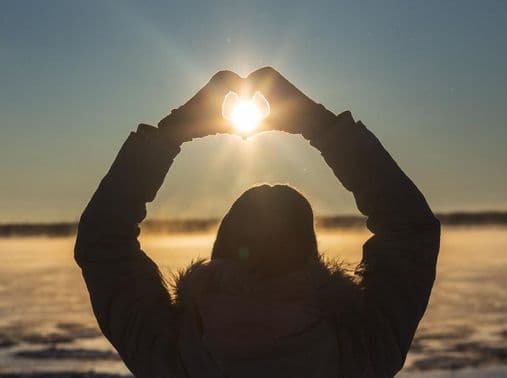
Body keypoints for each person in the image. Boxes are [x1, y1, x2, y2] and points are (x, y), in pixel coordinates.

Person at [75, 67, 440, 377]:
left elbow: (104, 242)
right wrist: (322, 126)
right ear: (309, 255)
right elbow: (408, 229)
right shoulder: (358, 353)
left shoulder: (173, 354)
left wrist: (171, 134)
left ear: (221, 251)